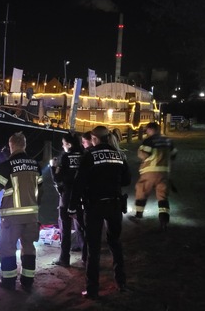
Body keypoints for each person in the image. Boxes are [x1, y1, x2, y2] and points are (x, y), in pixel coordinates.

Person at [70, 126, 131, 299]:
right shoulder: (118, 154)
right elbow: (126, 179)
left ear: (94, 138)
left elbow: (79, 182)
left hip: (95, 206)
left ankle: (92, 290)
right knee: (115, 243)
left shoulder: (90, 155)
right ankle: (121, 282)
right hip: (115, 205)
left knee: (93, 248)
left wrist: (72, 207)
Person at [0, 132, 43, 292]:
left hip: (12, 217)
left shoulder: (8, 165)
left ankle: (9, 281)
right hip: (32, 215)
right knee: (28, 247)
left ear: (11, 145)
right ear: (24, 145)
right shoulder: (35, 165)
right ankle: (27, 281)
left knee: (7, 247)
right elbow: (40, 190)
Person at [133, 122, 178, 231]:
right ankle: (164, 220)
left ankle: (138, 215)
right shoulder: (168, 141)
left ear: (150, 130)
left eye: (147, 130)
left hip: (150, 172)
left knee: (141, 191)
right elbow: (174, 154)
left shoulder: (149, 141)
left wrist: (139, 152)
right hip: (164, 173)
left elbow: (144, 154)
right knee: (162, 197)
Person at [50, 132, 86, 267]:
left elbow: (58, 179)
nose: (62, 146)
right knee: (82, 228)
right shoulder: (84, 155)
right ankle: (86, 257)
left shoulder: (65, 157)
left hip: (67, 196)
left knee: (65, 228)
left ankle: (64, 259)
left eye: (63, 144)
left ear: (69, 145)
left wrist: (53, 167)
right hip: (82, 196)